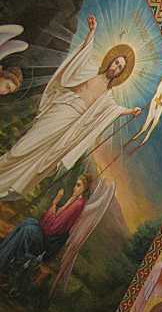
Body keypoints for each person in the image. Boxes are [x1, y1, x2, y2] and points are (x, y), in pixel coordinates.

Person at [0, 14, 140, 201]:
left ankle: (9, 185)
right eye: (116, 62)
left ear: (121, 73)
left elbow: (112, 110)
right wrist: (92, 33)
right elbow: (81, 57)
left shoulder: (108, 96)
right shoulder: (91, 70)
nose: (116, 67)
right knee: (25, 145)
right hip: (61, 109)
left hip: (69, 124)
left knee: (40, 156)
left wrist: (129, 111)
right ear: (111, 60)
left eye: (120, 67)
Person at [0, 174, 91, 278]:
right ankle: (3, 254)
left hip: (46, 241)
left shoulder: (78, 204)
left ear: (85, 188)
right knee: (28, 221)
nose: (75, 188)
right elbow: (52, 220)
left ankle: (3, 262)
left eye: (78, 185)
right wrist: (55, 207)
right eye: (75, 185)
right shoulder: (74, 200)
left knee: (27, 229)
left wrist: (55, 203)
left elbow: (53, 228)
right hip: (45, 233)